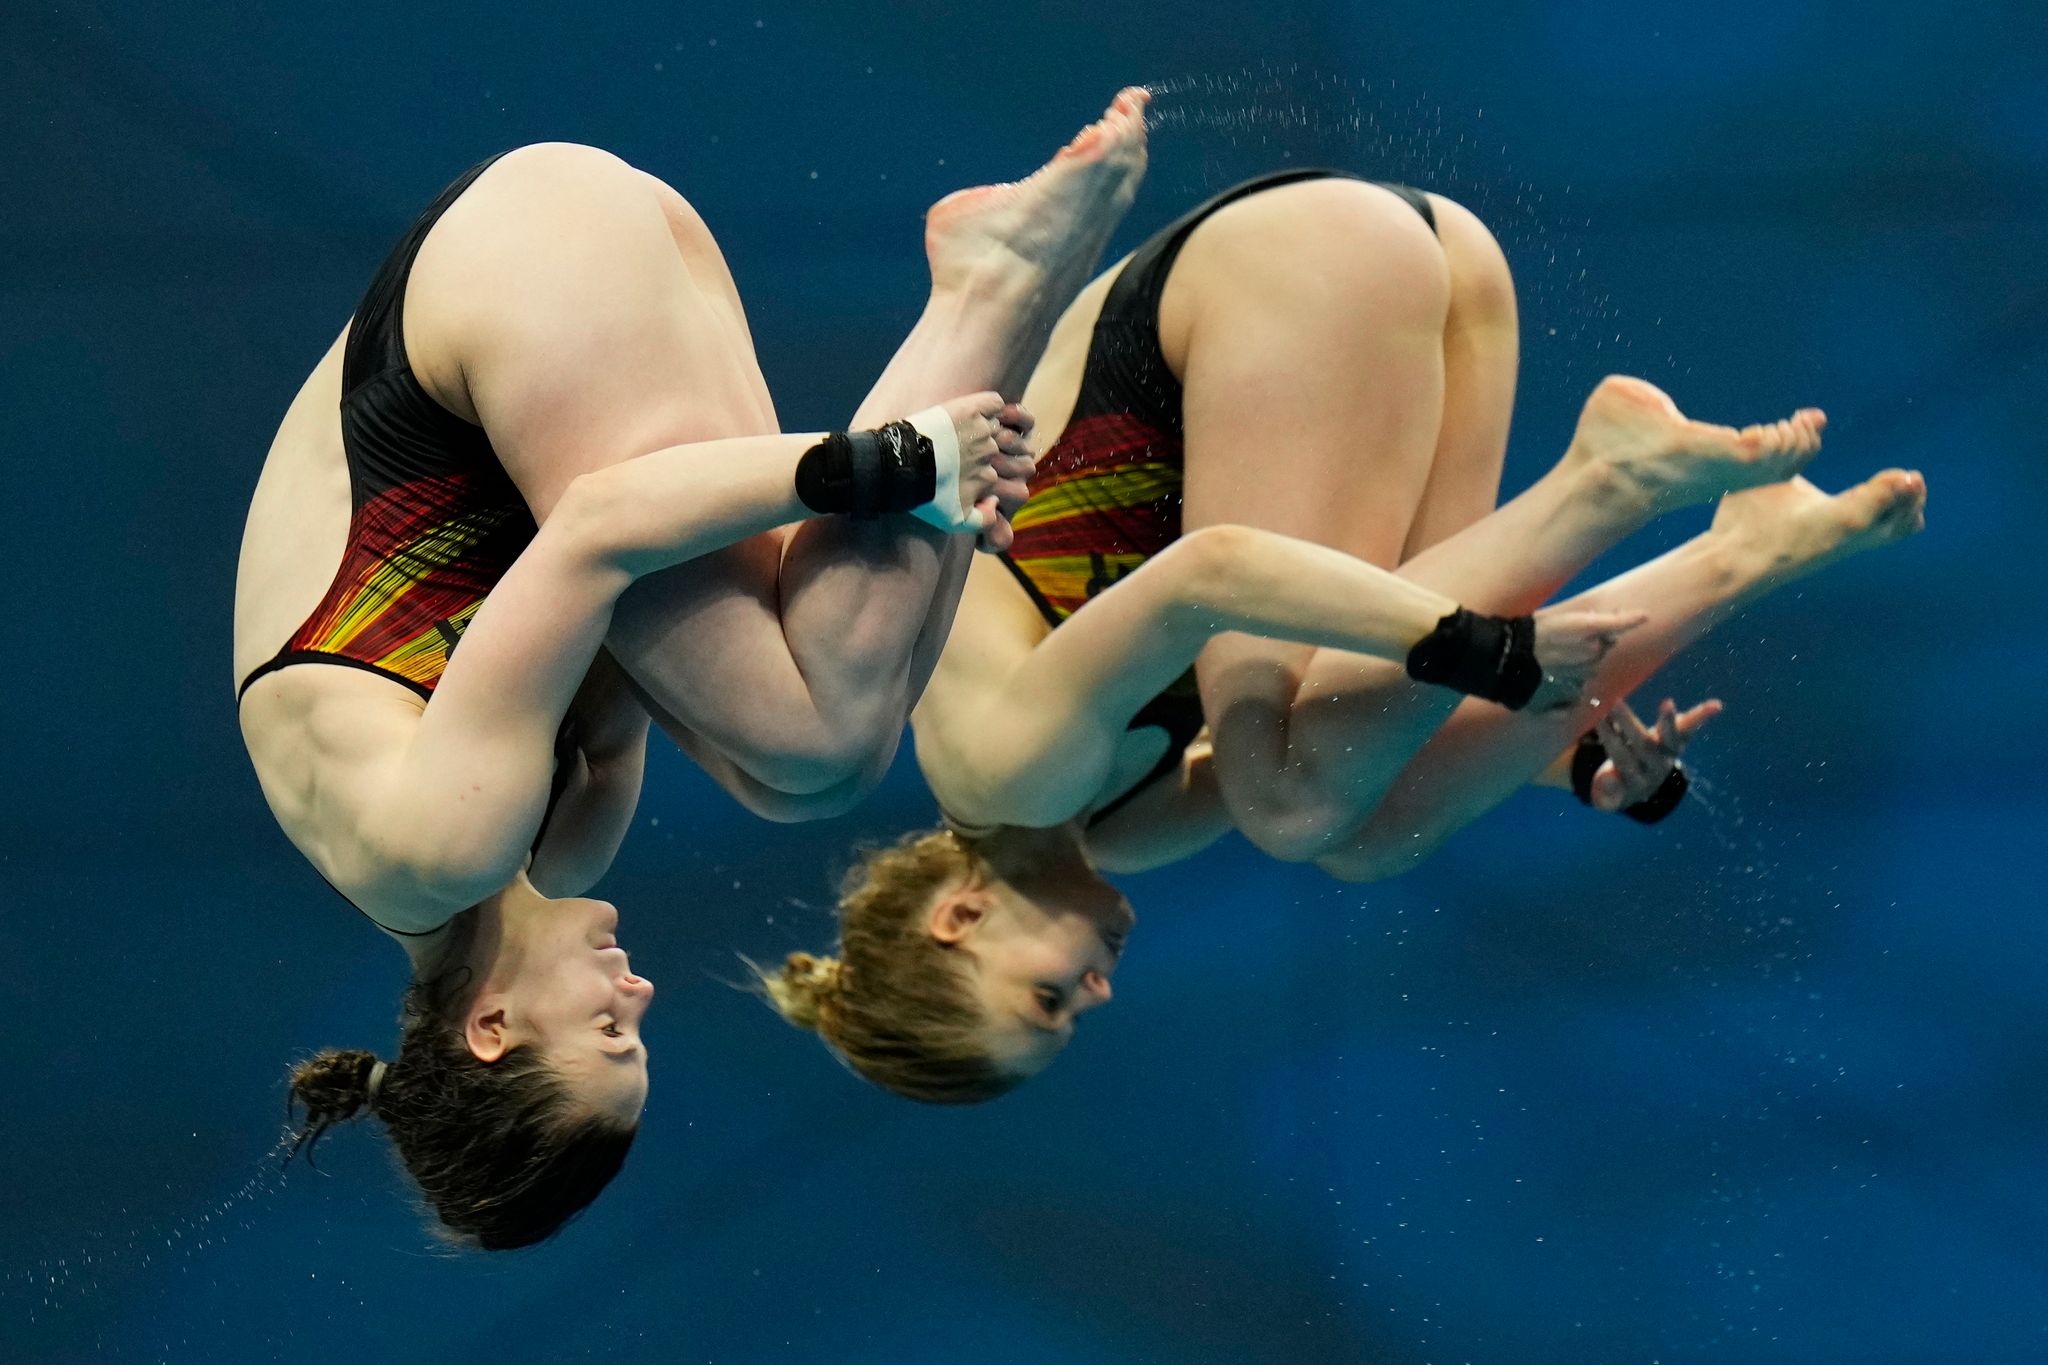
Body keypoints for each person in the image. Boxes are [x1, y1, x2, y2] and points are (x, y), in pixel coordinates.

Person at [760, 170, 1928, 1103]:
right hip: (1424, 269)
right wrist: (1561, 753)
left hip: (1272, 277)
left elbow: (1211, 573)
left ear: (957, 919)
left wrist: (1479, 651)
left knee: (1293, 802)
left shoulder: (999, 769)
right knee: (1361, 831)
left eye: (1048, 1004)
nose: (1097, 998)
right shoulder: (1122, 828)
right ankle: (1738, 550)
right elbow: (1376, 726)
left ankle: (1611, 484)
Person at [236, 91, 1154, 1247]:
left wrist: (887, 461)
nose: (642, 996)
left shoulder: (435, 847)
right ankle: (994, 299)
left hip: (519, 274)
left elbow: (603, 526)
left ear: (490, 1029)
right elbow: (674, 579)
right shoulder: (550, 847)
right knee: (805, 766)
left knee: (811, 741)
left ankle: (996, 288)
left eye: (612, 1034)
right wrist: (933, 509)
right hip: (556, 277)